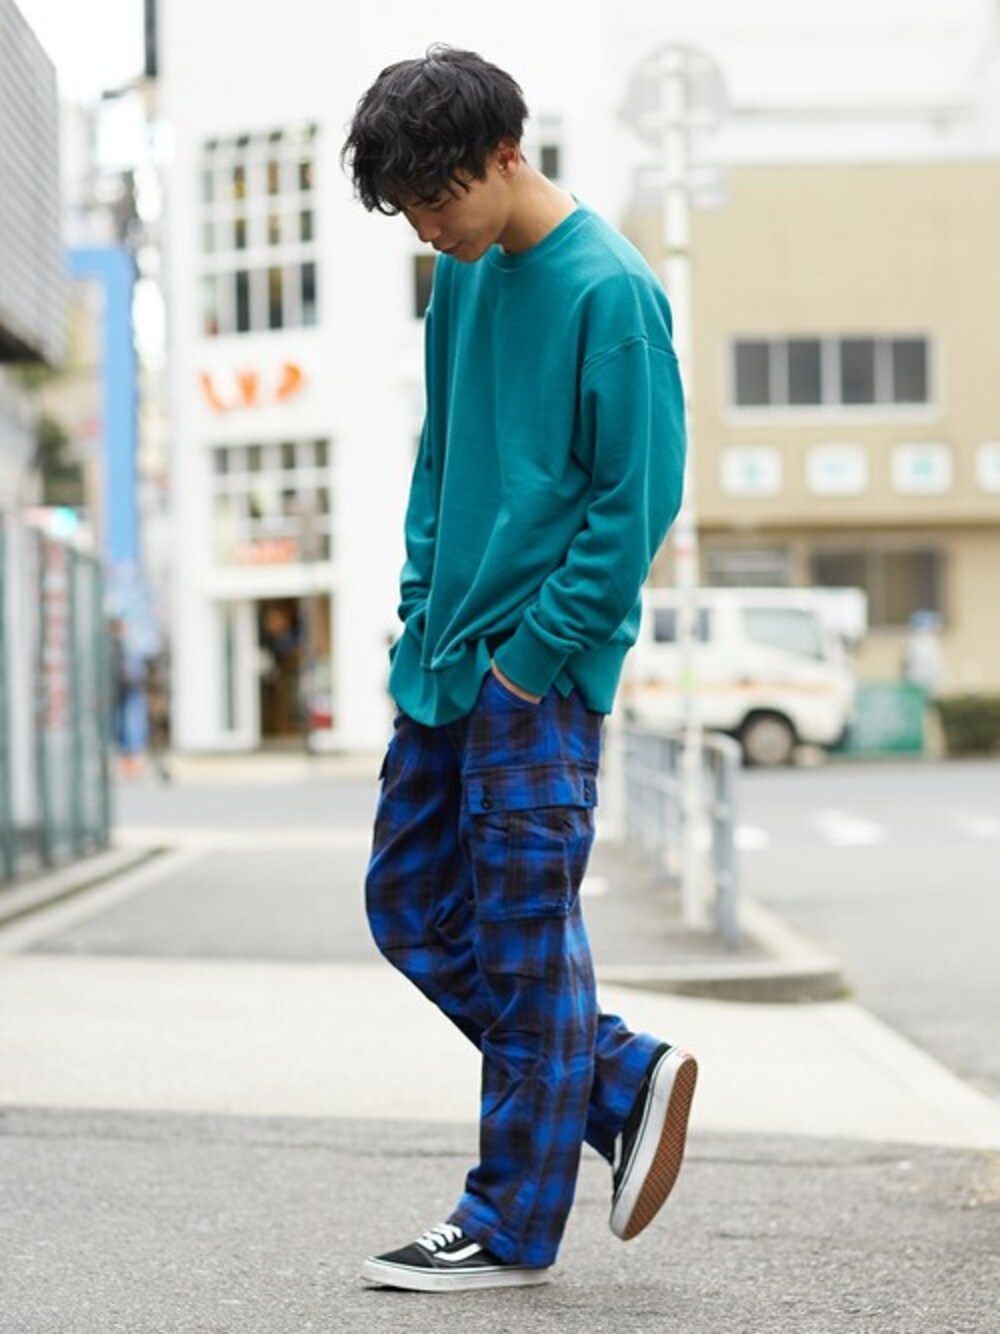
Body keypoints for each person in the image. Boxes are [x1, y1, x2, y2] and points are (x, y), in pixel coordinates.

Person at [342, 45, 696, 1293]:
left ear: (506, 154)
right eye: (406, 210)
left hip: (530, 683)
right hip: (443, 664)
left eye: (438, 198)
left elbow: (633, 505)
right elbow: (440, 463)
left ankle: (507, 1221)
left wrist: (530, 663)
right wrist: (415, 616)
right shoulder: (462, 278)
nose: (428, 228)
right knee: (406, 906)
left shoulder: (613, 292)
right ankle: (618, 1075)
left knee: (524, 941)